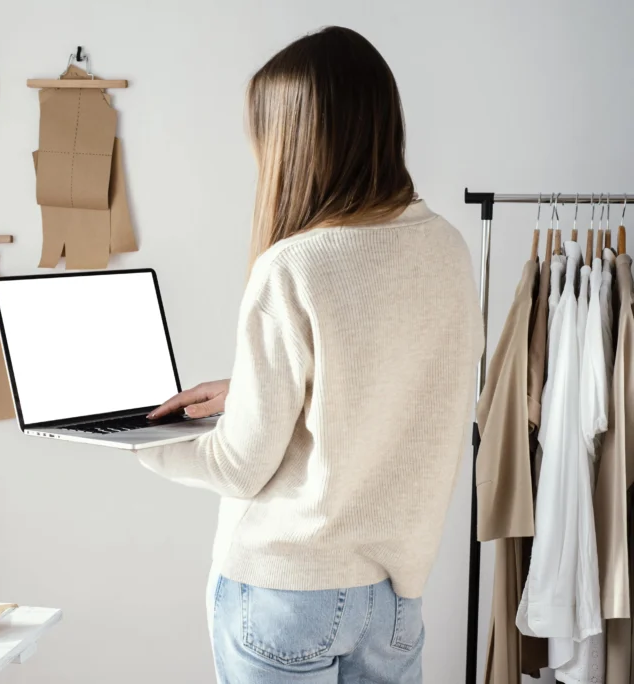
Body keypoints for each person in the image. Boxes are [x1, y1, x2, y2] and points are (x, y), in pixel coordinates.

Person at [140, 26, 484, 684]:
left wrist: (131, 443)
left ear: (295, 144)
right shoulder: (445, 249)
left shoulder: (294, 267)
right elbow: (385, 388)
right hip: (394, 602)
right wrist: (251, 391)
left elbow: (238, 467)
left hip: (282, 593)